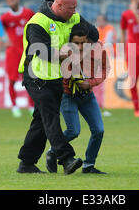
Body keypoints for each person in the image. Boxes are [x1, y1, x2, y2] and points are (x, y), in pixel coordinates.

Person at [16, 0, 99, 174]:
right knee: (51, 117)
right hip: (36, 76)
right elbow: (41, 51)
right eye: (71, 8)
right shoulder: (38, 22)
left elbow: (94, 33)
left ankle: (26, 163)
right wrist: (65, 53)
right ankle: (66, 158)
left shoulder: (72, 16)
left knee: (40, 121)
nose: (74, 11)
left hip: (56, 77)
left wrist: (83, 40)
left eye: (75, 8)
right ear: (59, 6)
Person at [47, 23, 109, 174]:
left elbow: (105, 68)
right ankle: (53, 150)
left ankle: (88, 165)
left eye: (84, 43)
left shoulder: (99, 48)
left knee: (99, 130)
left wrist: (91, 82)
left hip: (87, 95)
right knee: (73, 131)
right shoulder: (65, 51)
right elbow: (65, 72)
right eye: (78, 43)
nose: (81, 46)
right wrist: (75, 77)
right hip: (68, 95)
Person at [0, 0, 35, 118]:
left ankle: (31, 106)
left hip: (27, 52)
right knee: (12, 80)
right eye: (8, 1)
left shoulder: (28, 13)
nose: (11, 2)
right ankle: (15, 106)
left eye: (12, 0)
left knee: (30, 80)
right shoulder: (5, 18)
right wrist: (4, 41)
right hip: (13, 53)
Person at [93, 14, 115, 117]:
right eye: (98, 20)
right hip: (99, 58)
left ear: (105, 21)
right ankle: (99, 103)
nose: (99, 22)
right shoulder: (96, 29)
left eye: (101, 20)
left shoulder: (110, 29)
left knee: (105, 82)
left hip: (110, 58)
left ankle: (106, 103)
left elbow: (107, 43)